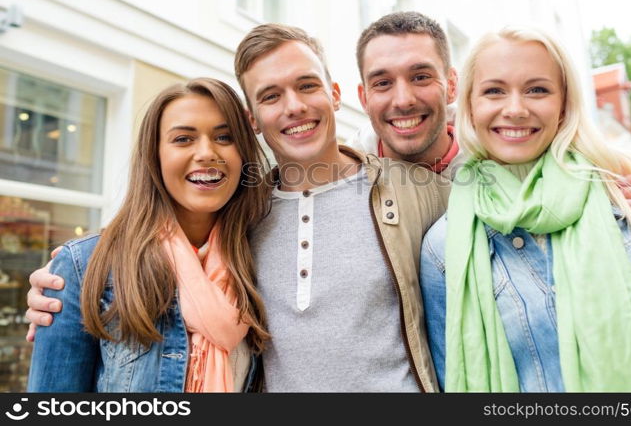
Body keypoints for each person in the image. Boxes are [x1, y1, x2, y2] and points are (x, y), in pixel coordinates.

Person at [27, 24, 449, 392]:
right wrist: (70, 277)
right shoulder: (242, 217)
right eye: (271, 95)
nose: (294, 106)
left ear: (334, 94)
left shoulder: (421, 194)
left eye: (307, 85)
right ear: (254, 119)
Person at [420, 26, 631, 392]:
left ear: (564, 103)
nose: (515, 109)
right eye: (494, 91)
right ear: (470, 105)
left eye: (537, 89)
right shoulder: (444, 247)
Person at [27, 78, 270, 392]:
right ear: (154, 155)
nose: (207, 152)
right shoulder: (85, 266)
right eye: (183, 139)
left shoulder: (260, 260)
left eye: (224, 137)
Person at [350, 11, 631, 230]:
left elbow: (588, 161)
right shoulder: (343, 178)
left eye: (421, 77)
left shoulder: (506, 150)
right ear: (363, 98)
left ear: (452, 85)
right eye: (382, 83)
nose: (404, 99)